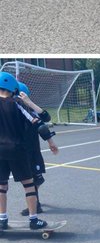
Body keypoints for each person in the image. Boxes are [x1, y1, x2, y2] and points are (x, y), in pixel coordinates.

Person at [0, 71, 49, 231]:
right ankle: (33, 220)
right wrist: (49, 138)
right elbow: (38, 122)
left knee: (1, 186)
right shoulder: (16, 103)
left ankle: (2, 220)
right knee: (29, 185)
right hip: (17, 150)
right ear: (13, 88)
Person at [11, 80, 58, 218]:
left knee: (31, 179)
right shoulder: (13, 111)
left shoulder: (31, 112)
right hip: (19, 151)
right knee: (27, 179)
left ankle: (35, 205)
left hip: (32, 152)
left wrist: (50, 142)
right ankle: (35, 200)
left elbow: (44, 122)